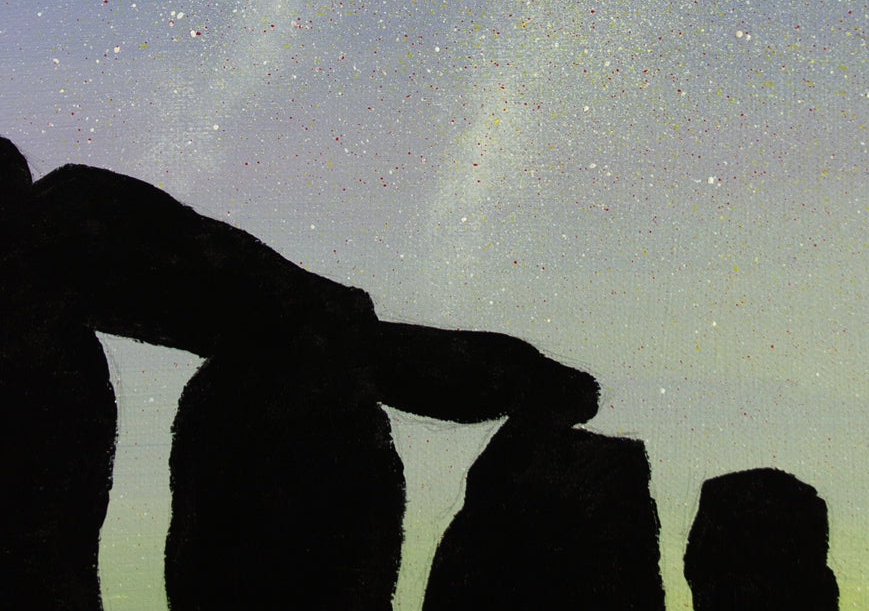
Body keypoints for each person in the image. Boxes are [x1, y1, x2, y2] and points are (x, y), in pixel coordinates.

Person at [0, 137, 599, 609]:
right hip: (300, 349)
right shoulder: (65, 228)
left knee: (335, 355)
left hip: (295, 356)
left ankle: (525, 380)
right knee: (345, 353)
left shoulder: (63, 224)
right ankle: (527, 380)